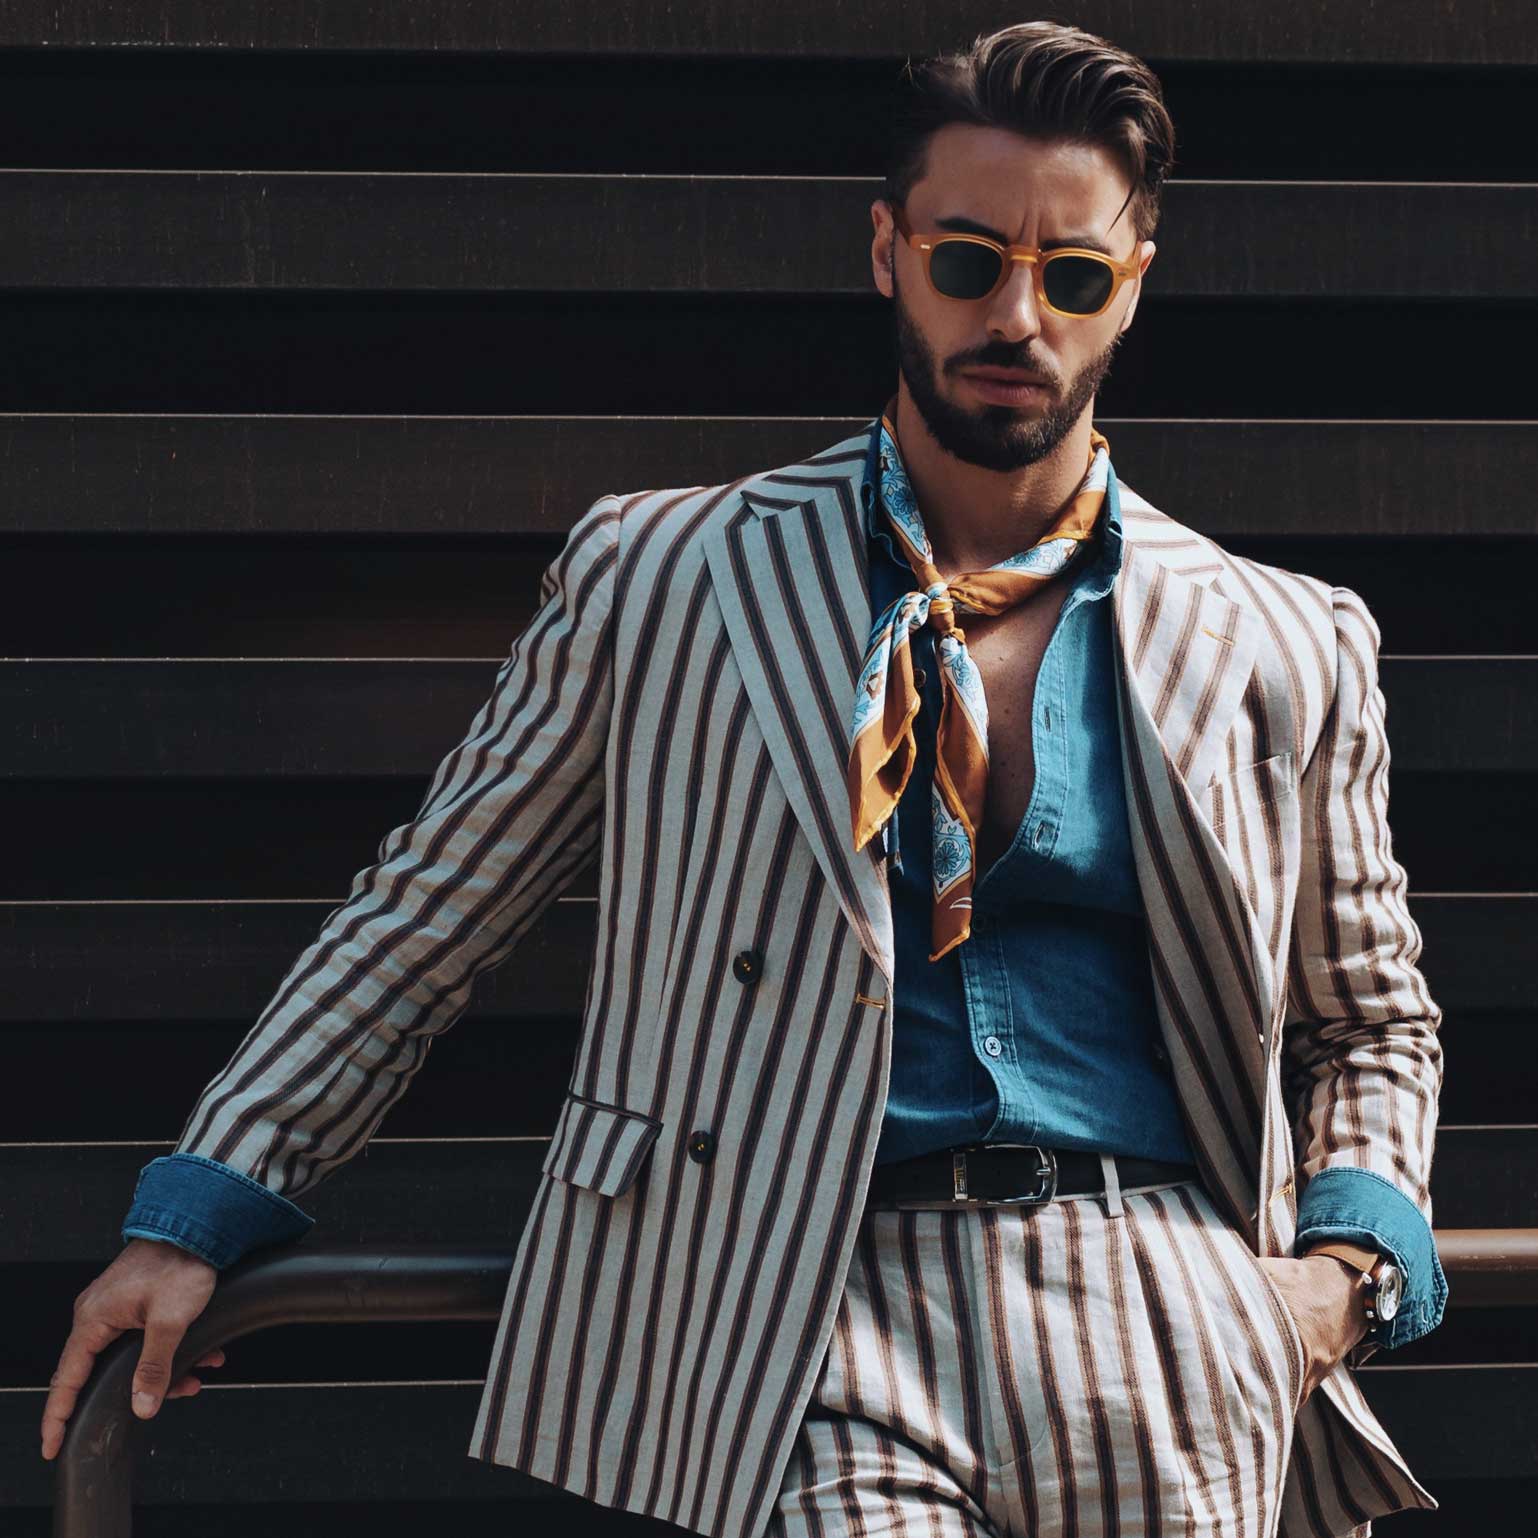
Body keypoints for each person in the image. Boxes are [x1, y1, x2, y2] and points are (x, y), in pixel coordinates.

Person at [41, 19, 1447, 1538]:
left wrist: (1334, 1276)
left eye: (1074, 273)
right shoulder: (667, 570)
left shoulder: (1280, 636)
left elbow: (1366, 1014)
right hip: (806, 1300)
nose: (1017, 314)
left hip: (1168, 1308)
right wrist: (201, 1203)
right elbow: (426, 914)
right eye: (968, 259)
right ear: (886, 253)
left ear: (1132, 285)